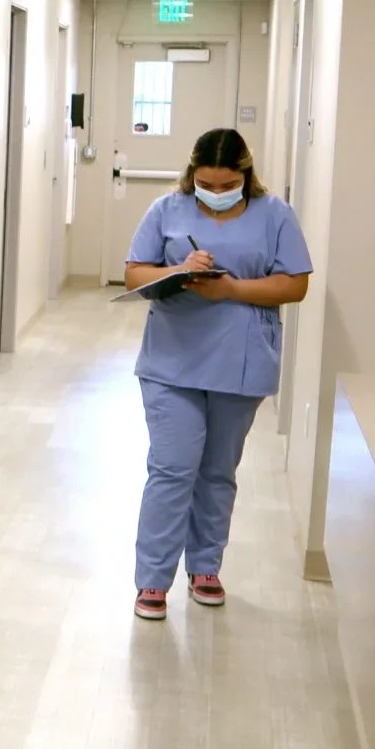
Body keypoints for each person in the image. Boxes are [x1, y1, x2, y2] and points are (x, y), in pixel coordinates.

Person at [123, 128, 312, 621]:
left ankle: (206, 566)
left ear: (246, 176)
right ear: (192, 175)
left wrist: (229, 289)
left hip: (240, 361)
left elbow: (295, 285)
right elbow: (135, 274)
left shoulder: (275, 215)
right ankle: (152, 580)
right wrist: (180, 271)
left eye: (229, 184)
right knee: (171, 468)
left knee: (216, 471)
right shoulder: (167, 210)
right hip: (172, 361)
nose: (218, 191)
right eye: (208, 182)